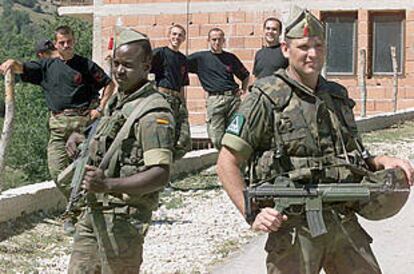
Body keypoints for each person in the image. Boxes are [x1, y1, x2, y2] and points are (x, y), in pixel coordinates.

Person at [217, 9, 414, 274]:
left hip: (342, 219)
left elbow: (355, 154)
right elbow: (227, 162)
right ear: (285, 49)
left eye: (318, 46)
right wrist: (251, 213)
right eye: (303, 46)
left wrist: (382, 161)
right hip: (293, 228)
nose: (312, 53)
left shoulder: (336, 96)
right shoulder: (265, 97)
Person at [65, 27, 175, 273]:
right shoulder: (118, 100)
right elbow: (108, 138)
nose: (118, 71)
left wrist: (109, 185)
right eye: (115, 63)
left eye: (127, 65)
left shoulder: (153, 113)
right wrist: (81, 138)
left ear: (146, 66)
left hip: (123, 220)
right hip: (93, 211)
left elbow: (160, 174)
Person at [0, 27, 115, 195]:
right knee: (58, 173)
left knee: (87, 168)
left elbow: (109, 84)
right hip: (59, 128)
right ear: (56, 44)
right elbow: (22, 68)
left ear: (73, 42)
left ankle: (85, 210)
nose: (66, 45)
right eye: (62, 42)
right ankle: (79, 206)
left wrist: (100, 108)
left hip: (84, 126)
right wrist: (11, 62)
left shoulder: (86, 65)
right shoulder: (46, 66)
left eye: (69, 42)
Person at [188, 28, 250, 149]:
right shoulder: (199, 58)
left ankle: (234, 163)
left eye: (220, 39)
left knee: (236, 133)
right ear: (208, 40)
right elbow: (180, 64)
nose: (217, 42)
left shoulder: (230, 58)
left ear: (224, 41)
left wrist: (243, 89)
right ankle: (223, 159)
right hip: (215, 101)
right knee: (216, 136)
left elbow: (245, 75)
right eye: (214, 39)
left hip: (233, 99)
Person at [151, 23, 191, 159]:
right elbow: (143, 68)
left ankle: (170, 165)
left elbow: (182, 86)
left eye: (180, 35)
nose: (177, 37)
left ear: (184, 38)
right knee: (163, 134)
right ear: (169, 36)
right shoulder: (159, 53)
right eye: (174, 34)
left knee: (183, 138)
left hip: (177, 100)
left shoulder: (183, 59)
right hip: (162, 97)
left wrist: (184, 105)